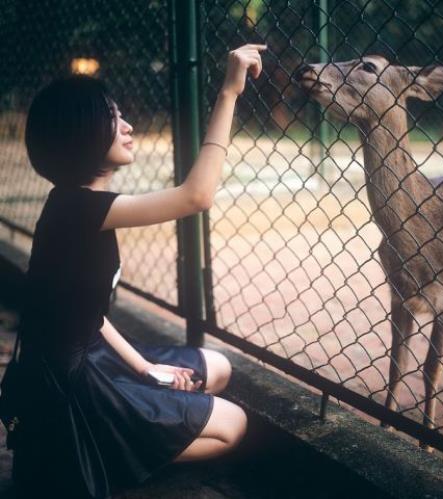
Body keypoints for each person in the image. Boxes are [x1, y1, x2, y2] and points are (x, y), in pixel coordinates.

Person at [12, 43, 267, 498]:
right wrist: (229, 92)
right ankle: (98, 446)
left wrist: (148, 368)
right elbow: (196, 197)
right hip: (75, 389)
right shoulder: (77, 207)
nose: (128, 126)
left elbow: (87, 314)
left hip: (95, 359)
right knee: (235, 425)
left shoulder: (77, 205)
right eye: (113, 118)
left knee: (220, 368)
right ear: (82, 132)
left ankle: (119, 435)